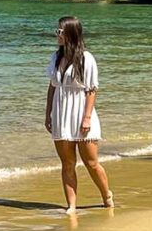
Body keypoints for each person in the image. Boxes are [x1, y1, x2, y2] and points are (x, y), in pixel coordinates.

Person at [44, 16, 113, 213]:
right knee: (67, 163)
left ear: (70, 34)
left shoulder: (86, 58)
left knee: (91, 162)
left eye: (60, 32)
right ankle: (71, 205)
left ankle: (106, 195)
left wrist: (87, 117)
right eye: (57, 31)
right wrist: (48, 113)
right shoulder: (56, 57)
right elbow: (52, 87)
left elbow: (91, 89)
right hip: (61, 113)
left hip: (82, 112)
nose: (57, 35)